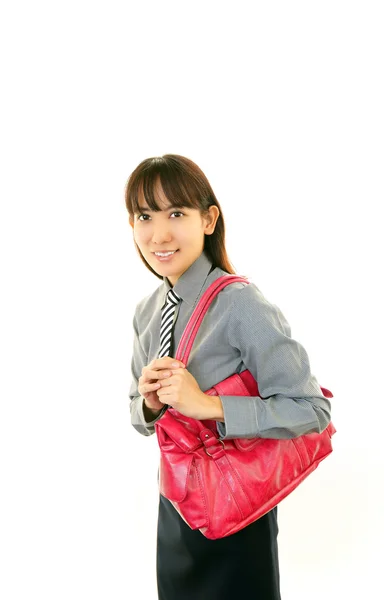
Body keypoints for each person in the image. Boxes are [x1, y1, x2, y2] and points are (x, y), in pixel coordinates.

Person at [125, 154, 332, 600]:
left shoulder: (240, 304)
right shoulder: (147, 312)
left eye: (176, 213)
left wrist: (209, 406)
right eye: (145, 216)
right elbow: (137, 417)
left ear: (208, 219)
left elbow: (312, 409)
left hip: (239, 511)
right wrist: (149, 404)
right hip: (176, 511)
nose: (159, 234)